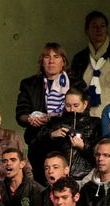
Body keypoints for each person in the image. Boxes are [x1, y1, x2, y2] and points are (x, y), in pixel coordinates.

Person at [16, 42, 81, 171]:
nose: (51, 61)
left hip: (66, 142)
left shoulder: (76, 84)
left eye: (56, 56)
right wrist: (30, 119)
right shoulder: (29, 84)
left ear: (63, 62)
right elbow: (20, 114)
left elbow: (82, 113)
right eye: (47, 57)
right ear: (42, 62)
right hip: (39, 142)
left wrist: (55, 120)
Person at [70, 11, 110, 118]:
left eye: (102, 26)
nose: (99, 29)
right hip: (87, 117)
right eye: (94, 26)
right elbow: (75, 90)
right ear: (87, 31)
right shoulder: (80, 58)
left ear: (107, 29)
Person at [41, 88, 101, 181]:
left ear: (85, 104)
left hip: (85, 178)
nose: (71, 109)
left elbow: (101, 154)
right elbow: (36, 148)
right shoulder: (55, 123)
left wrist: (83, 146)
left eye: (76, 105)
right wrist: (51, 135)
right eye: (68, 105)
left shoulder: (96, 123)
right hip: (58, 177)